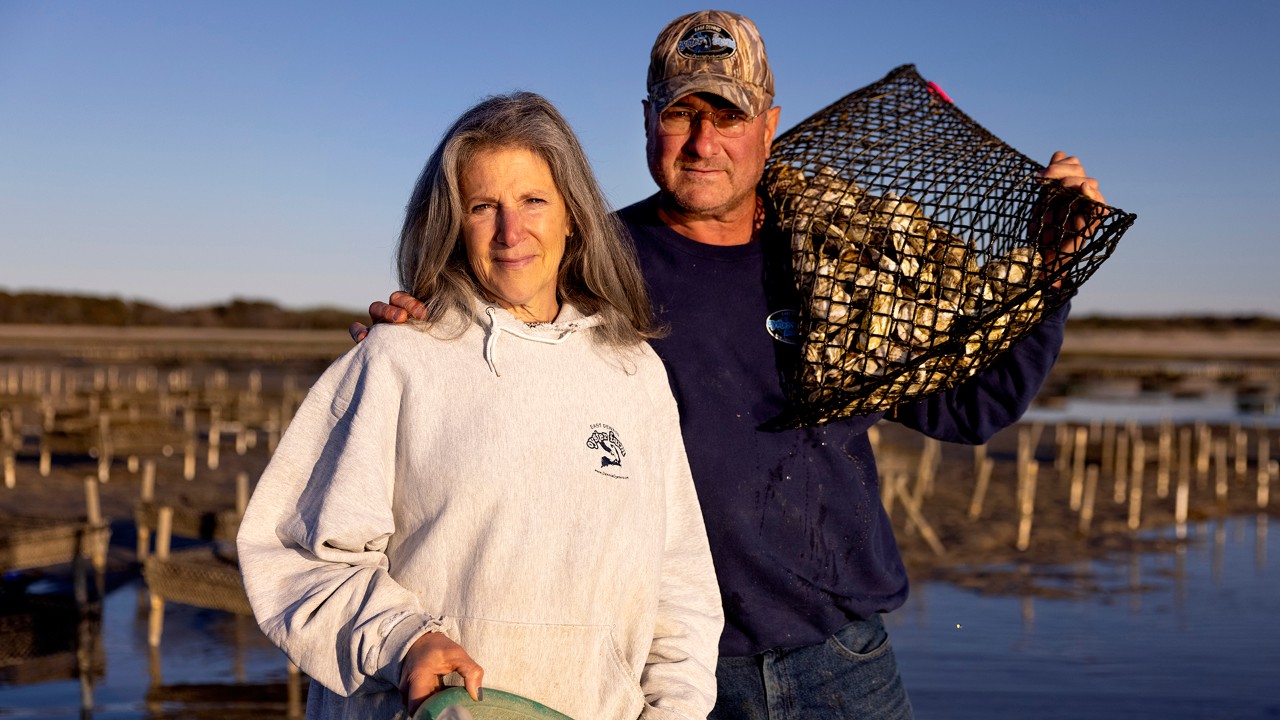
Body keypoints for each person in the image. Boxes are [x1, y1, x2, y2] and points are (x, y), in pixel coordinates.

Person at [351, 11, 1108, 720]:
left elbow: (971, 409)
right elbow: (483, 358)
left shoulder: (846, 261)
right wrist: (417, 331)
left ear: (769, 125)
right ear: (648, 121)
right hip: (666, 669)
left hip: (839, 656)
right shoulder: (586, 268)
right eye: (681, 113)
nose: (702, 141)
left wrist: (1054, 270)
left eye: (729, 115)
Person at [238, 91, 723, 720]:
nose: (510, 231)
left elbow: (678, 588)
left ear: (573, 215)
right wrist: (403, 640)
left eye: (533, 201)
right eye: (482, 206)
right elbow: (297, 553)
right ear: (451, 224)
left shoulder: (633, 372)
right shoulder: (398, 359)